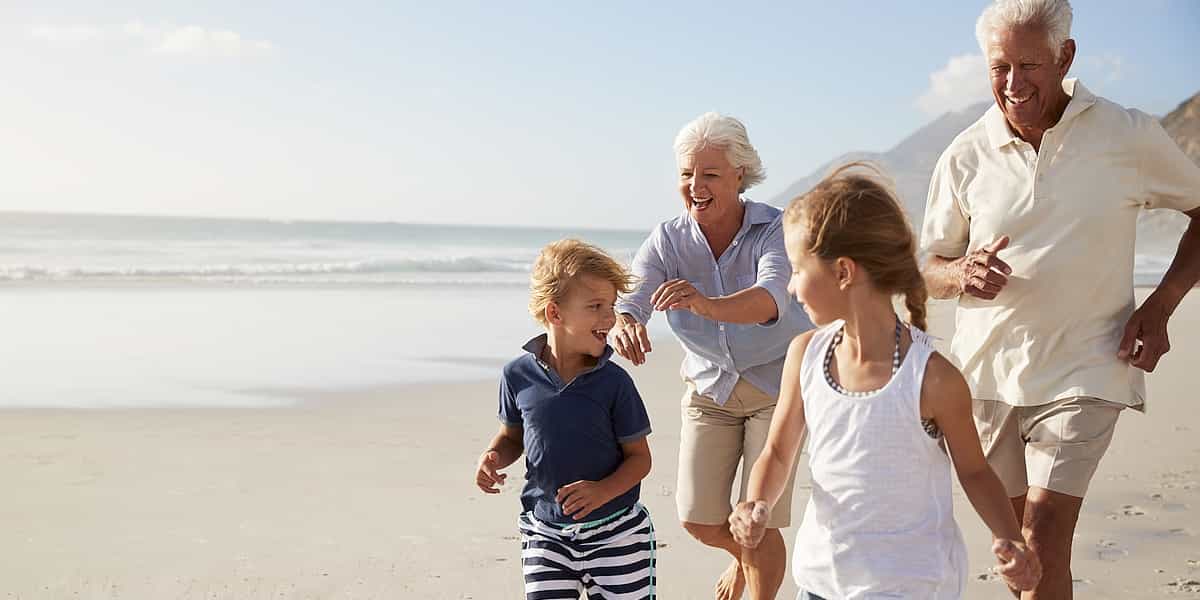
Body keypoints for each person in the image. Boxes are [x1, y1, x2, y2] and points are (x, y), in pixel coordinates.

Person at [920, 1, 1200, 597]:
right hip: (986, 376)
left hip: (1089, 364)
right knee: (1019, 554)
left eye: (1029, 66)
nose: (1013, 85)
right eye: (999, 68)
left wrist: (1161, 305)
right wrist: (961, 273)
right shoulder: (965, 153)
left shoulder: (1127, 134)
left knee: (1044, 537)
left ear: (1065, 57)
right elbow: (926, 266)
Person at [729, 165, 1041, 598]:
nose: (792, 288)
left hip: (910, 585)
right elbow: (779, 452)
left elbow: (974, 471)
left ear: (843, 272)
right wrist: (755, 501)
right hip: (822, 581)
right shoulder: (805, 354)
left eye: (798, 270)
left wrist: (1011, 538)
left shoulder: (931, 378)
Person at [612, 112, 813, 600]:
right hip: (710, 389)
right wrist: (627, 323)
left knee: (756, 521)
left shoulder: (775, 228)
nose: (695, 186)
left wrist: (701, 302)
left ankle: (757, 579)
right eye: (686, 174)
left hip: (778, 389)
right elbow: (631, 297)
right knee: (698, 519)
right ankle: (743, 562)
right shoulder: (668, 239)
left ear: (740, 175)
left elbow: (771, 298)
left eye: (710, 174)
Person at [474, 239, 656, 599]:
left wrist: (602, 491)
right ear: (555, 314)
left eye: (612, 307)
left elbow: (640, 459)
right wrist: (493, 456)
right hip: (546, 533)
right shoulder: (517, 376)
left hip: (617, 533)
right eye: (596, 306)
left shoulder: (614, 382)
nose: (609, 318)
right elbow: (512, 436)